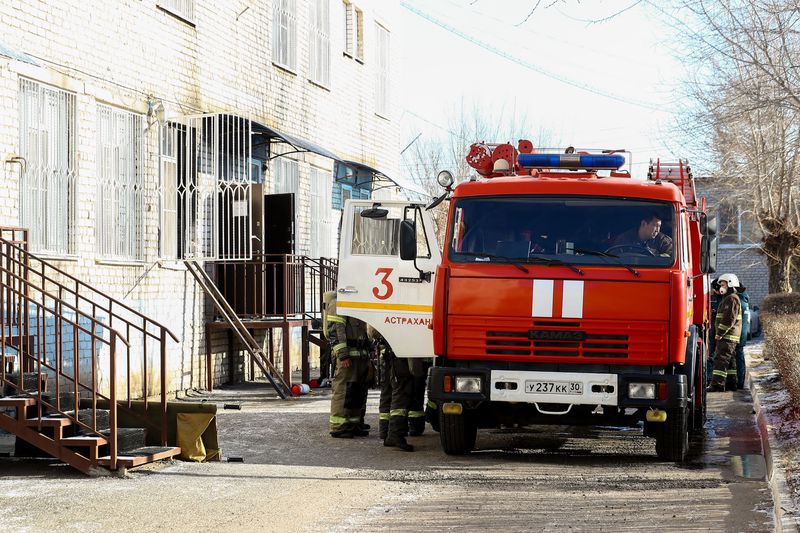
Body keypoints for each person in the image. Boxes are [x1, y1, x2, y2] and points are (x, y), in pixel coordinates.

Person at [324, 291, 371, 438]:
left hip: (360, 354)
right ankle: (339, 426)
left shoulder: (355, 302)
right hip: (348, 356)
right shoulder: (338, 303)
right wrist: (343, 354)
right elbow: (335, 330)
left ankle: (353, 423)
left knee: (357, 390)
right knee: (343, 390)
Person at [373, 329, 414, 451]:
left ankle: (385, 432)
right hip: (398, 357)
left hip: (386, 356)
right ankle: (396, 435)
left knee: (387, 393)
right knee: (400, 394)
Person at [708, 273, 743, 392]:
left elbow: (729, 318)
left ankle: (717, 385)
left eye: (723, 285)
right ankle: (731, 384)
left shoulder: (731, 299)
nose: (721, 287)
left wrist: (720, 333)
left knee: (720, 360)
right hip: (730, 336)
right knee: (729, 361)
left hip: (727, 335)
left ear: (730, 284)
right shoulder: (729, 298)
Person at [735, 282, 751, 390]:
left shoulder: (738, 302)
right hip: (742, 335)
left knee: (738, 358)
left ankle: (740, 381)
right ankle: (740, 381)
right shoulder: (744, 301)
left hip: (738, 335)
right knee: (740, 357)